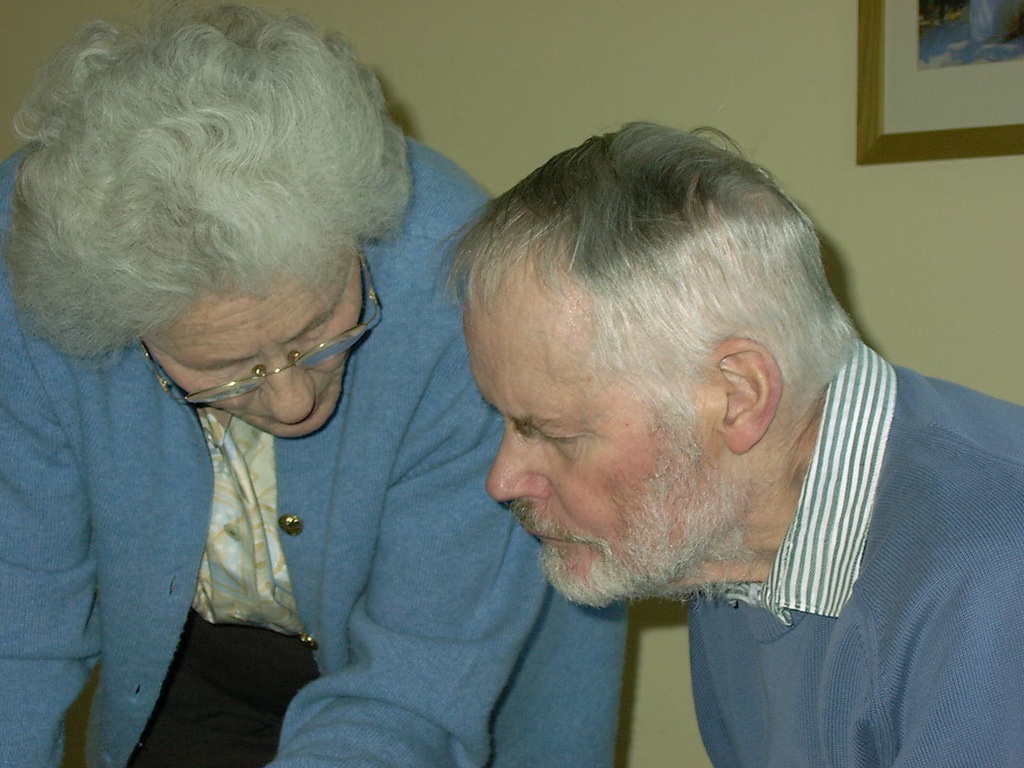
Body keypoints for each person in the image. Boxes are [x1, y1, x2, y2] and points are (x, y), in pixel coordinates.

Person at [0, 5, 626, 767]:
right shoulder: (43, 279)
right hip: (194, 666)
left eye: (320, 330)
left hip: (454, 666)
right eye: (223, 370)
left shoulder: (455, 283)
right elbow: (16, 630)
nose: (294, 402)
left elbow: (411, 692)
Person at [452, 121, 1024, 766]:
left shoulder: (997, 580)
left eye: (554, 432)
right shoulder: (730, 529)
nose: (502, 481)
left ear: (738, 397)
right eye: (503, 419)